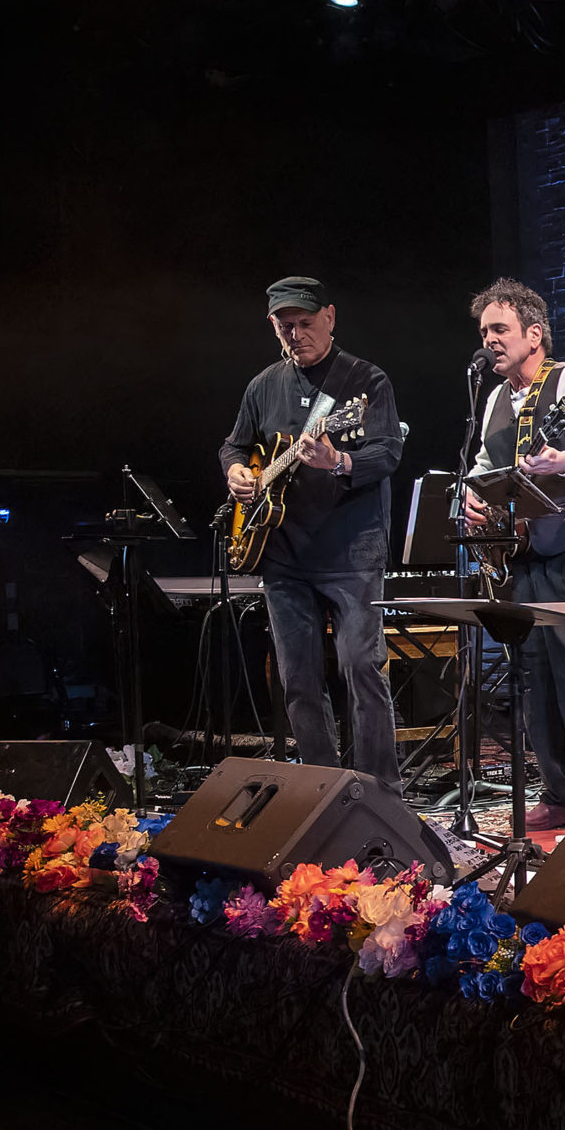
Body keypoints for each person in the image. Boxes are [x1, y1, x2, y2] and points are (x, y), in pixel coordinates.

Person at [220, 275, 404, 788]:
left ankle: (378, 791)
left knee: (361, 671)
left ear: (330, 317)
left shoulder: (365, 382)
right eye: (286, 326)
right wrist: (236, 471)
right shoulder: (263, 385)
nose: (296, 334)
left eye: (305, 323)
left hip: (352, 550)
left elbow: (387, 451)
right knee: (297, 680)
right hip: (282, 554)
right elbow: (235, 446)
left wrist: (340, 458)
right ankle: (323, 788)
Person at [461, 278, 565, 831]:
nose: (489, 340)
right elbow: (486, 465)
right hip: (525, 551)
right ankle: (561, 792)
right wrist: (473, 496)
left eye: (499, 329)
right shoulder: (493, 399)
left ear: (534, 334)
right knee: (534, 675)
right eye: (484, 331)